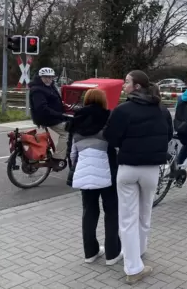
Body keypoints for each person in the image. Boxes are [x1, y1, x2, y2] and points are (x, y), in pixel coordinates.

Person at [103, 70, 173, 284]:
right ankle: (139, 253)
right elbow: (169, 135)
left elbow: (110, 136)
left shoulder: (122, 110)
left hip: (128, 168)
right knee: (145, 214)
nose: (124, 85)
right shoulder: (162, 110)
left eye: (126, 82)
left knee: (127, 218)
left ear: (136, 87)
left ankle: (133, 266)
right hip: (151, 169)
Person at [69, 89, 122, 266]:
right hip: (109, 172)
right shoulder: (109, 118)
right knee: (112, 211)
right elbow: (116, 147)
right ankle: (112, 254)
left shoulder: (76, 120)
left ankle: (90, 253)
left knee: (89, 212)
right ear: (103, 101)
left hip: (85, 173)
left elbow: (72, 154)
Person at [29, 67, 68, 168]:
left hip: (52, 116)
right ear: (40, 77)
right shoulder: (37, 90)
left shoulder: (49, 86)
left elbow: (54, 100)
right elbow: (42, 108)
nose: (48, 79)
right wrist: (60, 115)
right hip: (47, 118)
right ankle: (58, 159)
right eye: (46, 77)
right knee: (66, 133)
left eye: (50, 77)